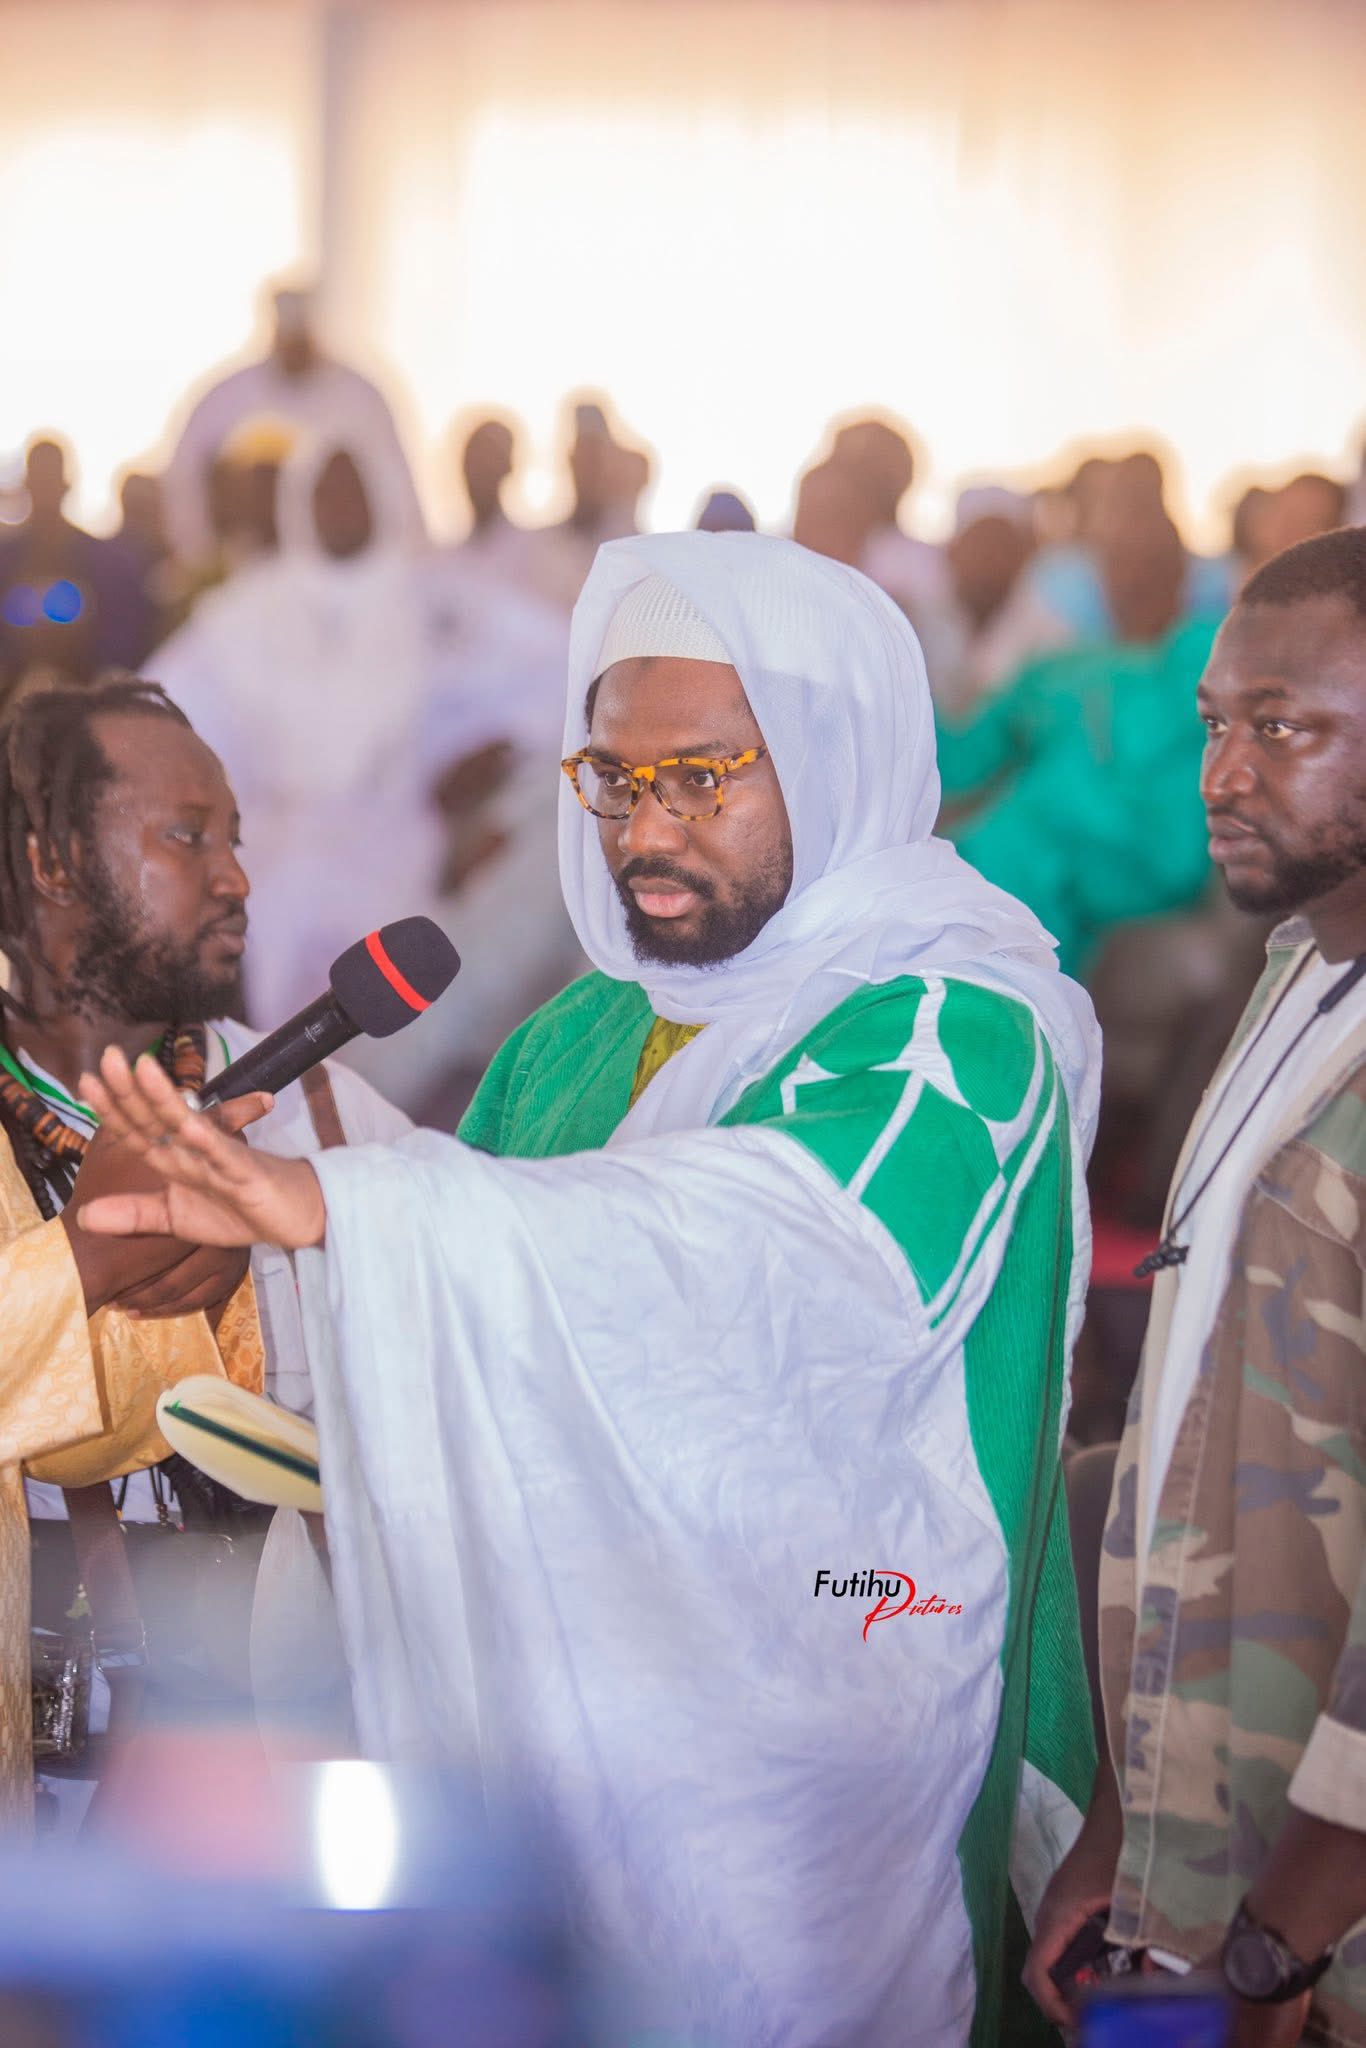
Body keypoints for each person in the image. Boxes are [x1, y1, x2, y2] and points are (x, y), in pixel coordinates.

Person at [81, 531, 1100, 2047]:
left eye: (703, 775)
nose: (644, 827)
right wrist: (283, 1247)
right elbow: (469, 1276)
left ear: (831, 758)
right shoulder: (581, 1031)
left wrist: (349, 1213)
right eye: (613, 779)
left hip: (861, 1625)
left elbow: (789, 1260)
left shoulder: (957, 1028)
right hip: (572, 1710)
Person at [1024, 527, 1366, 2045]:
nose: (1222, 775)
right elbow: (1183, 1443)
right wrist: (1125, 1833)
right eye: (1216, 726)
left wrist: (1279, 1945)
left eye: (1285, 730)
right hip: (1201, 1878)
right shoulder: (1301, 965)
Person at [0, 675, 407, 1820]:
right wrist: (89, 1257)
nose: (234, 877)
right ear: (52, 861)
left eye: (233, 836)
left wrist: (288, 1254)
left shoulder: (320, 1112)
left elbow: (476, 1355)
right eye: (186, 836)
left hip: (272, 1795)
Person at [163, 284, 425, 570]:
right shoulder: (223, 398)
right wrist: (198, 558)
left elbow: (402, 495)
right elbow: (184, 483)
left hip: (351, 569)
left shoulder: (361, 396)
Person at [0, 440, 157, 697]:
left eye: (50, 479)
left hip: (89, 696)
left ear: (66, 485)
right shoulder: (5, 561)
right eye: (39, 480)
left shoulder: (110, 564)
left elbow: (127, 646)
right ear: (26, 485)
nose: (45, 491)